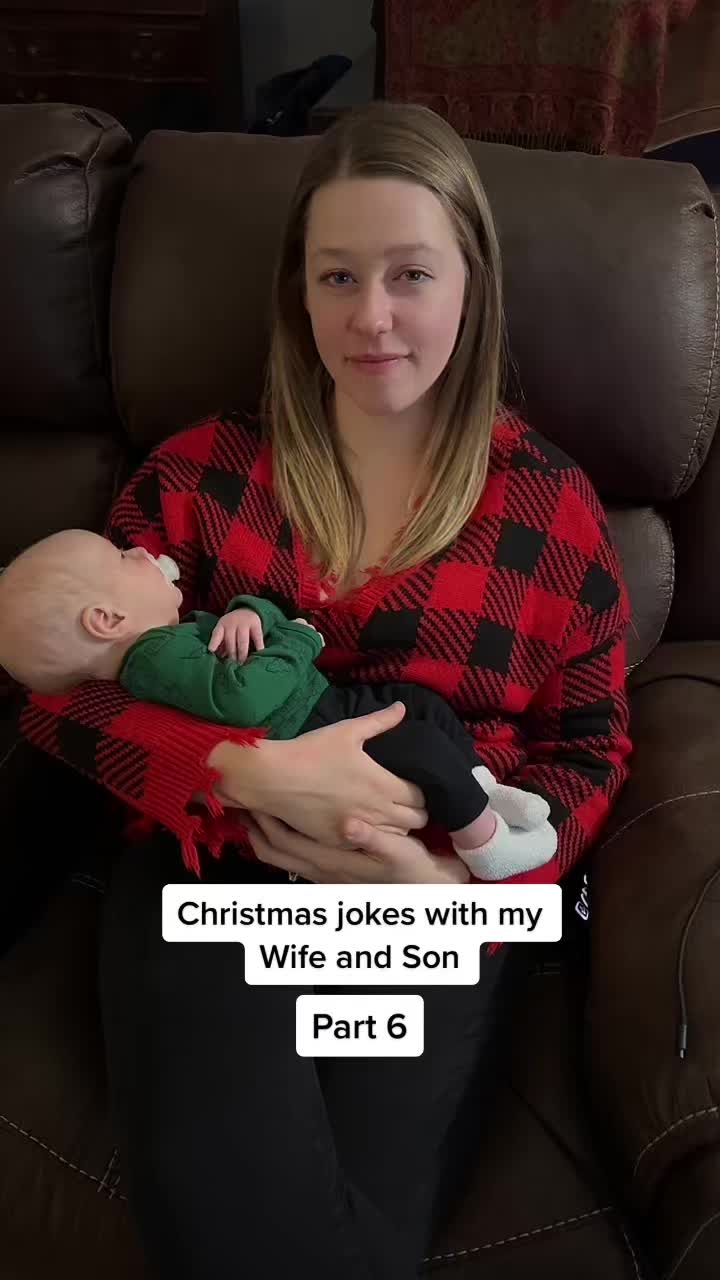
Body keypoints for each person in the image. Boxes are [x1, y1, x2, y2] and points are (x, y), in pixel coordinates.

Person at [6, 101, 632, 1278]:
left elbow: (591, 749)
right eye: (338, 275)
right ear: (297, 290)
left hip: (426, 901)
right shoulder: (196, 477)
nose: (371, 315)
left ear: (472, 284)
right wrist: (239, 768)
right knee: (254, 1226)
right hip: (210, 872)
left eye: (410, 274)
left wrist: (462, 883)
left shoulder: (554, 515)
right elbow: (57, 692)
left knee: (350, 1241)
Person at [0, 528, 557, 881]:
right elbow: (244, 698)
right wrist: (296, 641)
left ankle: (481, 792)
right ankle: (485, 845)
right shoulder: (154, 657)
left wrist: (248, 612)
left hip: (325, 709)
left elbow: (231, 644)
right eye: (125, 556)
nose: (143, 550)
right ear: (106, 620)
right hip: (310, 729)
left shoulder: (165, 639)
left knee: (418, 705)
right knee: (422, 744)